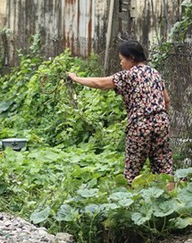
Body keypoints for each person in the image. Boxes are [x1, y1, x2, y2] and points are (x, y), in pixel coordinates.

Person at [67, 40, 174, 189]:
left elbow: (101, 83)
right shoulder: (155, 73)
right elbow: (167, 100)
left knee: (132, 171)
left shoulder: (129, 75)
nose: (121, 63)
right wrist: (160, 121)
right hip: (162, 122)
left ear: (131, 58)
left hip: (140, 125)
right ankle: (170, 201)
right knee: (164, 169)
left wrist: (76, 78)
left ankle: (129, 204)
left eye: (121, 59)